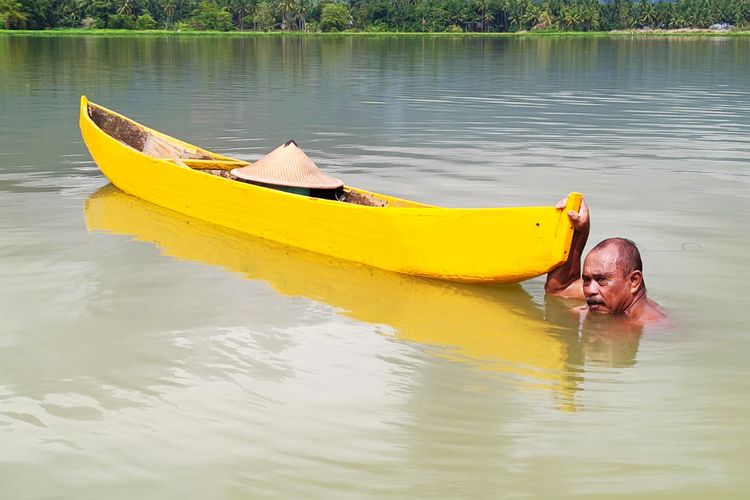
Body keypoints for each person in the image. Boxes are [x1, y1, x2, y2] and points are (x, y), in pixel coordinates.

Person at [545, 196, 666, 324]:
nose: (590, 290)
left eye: (601, 279)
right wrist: (577, 231)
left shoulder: (651, 326)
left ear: (634, 281)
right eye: (586, 280)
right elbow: (560, 289)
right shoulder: (606, 304)